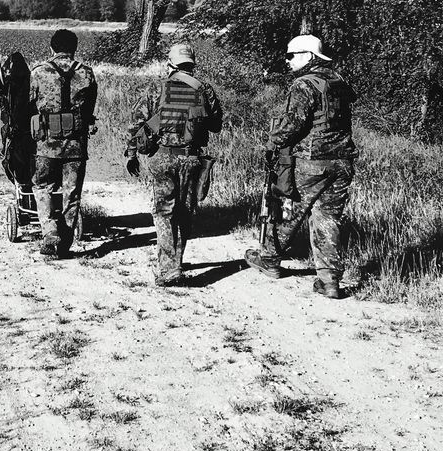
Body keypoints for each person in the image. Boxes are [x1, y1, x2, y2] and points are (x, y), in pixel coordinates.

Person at [245, 34, 358, 298]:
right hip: (342, 161)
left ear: (308, 56)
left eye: (291, 55)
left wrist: (272, 142)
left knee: (291, 211)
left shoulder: (304, 84)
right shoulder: (339, 81)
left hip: (312, 161)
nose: (288, 61)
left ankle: (270, 258)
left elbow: (294, 125)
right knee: (328, 219)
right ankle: (329, 281)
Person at [124, 43, 224, 286]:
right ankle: (176, 260)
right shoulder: (205, 90)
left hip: (162, 157)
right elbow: (216, 125)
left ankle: (169, 269)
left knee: (163, 212)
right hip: (191, 159)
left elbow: (136, 123)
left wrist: (131, 153)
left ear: (170, 65)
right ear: (192, 64)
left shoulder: (156, 88)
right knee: (185, 210)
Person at [29, 28, 97, 259]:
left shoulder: (38, 73)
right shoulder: (87, 73)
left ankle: (49, 233)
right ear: (74, 48)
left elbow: (30, 103)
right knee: (72, 192)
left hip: (47, 144)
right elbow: (89, 110)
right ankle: (65, 244)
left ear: (52, 48)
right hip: (76, 145)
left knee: (42, 186)